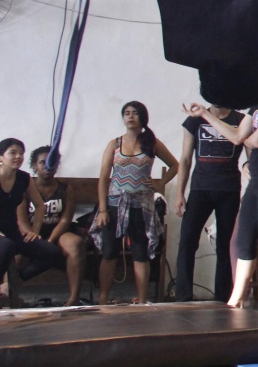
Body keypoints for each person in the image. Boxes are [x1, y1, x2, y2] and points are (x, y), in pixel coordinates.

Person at [188, 60, 258, 321]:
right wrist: (205, 115)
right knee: (243, 240)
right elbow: (238, 136)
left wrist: (244, 137)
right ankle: (236, 299)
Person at [90, 102, 178, 303]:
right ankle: (103, 299)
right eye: (127, 113)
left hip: (141, 206)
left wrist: (160, 183)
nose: (130, 117)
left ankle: (142, 299)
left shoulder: (152, 143)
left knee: (140, 252)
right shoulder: (114, 144)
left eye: (135, 113)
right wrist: (102, 209)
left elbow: (175, 165)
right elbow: (103, 178)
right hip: (114, 204)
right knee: (109, 252)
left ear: (143, 117)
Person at [173, 102, 245, 302]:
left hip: (229, 189)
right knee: (187, 241)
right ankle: (183, 297)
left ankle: (223, 298)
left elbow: (251, 155)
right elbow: (185, 159)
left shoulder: (240, 120)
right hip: (200, 189)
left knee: (224, 245)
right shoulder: (194, 120)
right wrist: (179, 194)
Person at [20, 145, 86, 307]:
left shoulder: (65, 189)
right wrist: (34, 238)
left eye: (52, 162)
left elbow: (65, 219)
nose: (48, 166)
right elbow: (21, 220)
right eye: (43, 163)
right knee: (14, 250)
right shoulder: (25, 188)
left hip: (58, 233)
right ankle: (9, 294)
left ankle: (73, 299)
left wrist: (50, 240)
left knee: (75, 244)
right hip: (32, 233)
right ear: (34, 165)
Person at [0, 139, 63, 306]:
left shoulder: (24, 178)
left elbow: (40, 206)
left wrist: (34, 230)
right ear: (1, 157)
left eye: (21, 153)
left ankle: (14, 283)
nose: (18, 156)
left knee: (52, 252)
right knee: (6, 246)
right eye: (13, 153)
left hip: (13, 232)